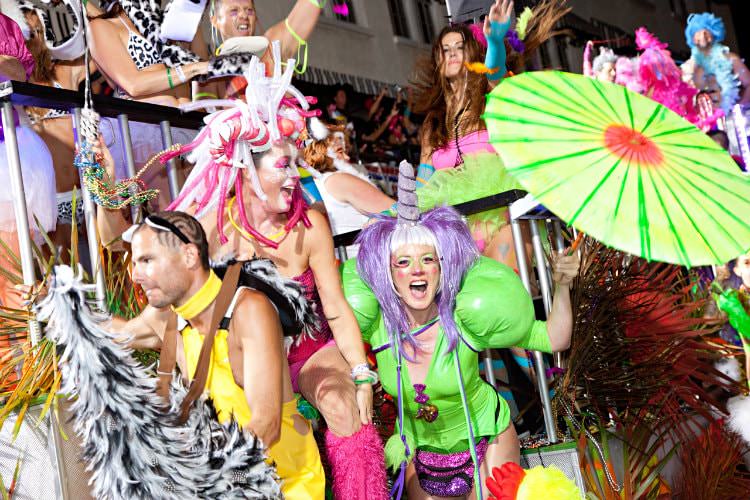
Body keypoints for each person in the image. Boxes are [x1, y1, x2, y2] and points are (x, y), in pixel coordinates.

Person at [98, 46, 389, 500]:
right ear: (246, 169)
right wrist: (102, 182)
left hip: (305, 349)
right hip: (239, 354)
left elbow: (332, 307)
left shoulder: (310, 223)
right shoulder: (215, 221)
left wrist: (359, 371)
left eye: (295, 161)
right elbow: (126, 241)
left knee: (344, 404)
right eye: (281, 164)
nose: (295, 175)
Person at [342, 162, 580, 499]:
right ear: (389, 274)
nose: (417, 271)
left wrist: (563, 286)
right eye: (403, 262)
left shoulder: (465, 316)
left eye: (428, 259)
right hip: (422, 450)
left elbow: (554, 338)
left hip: (485, 438)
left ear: (442, 267)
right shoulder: (378, 328)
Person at [110, 210, 325, 498]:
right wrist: (54, 302)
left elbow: (267, 424)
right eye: (135, 263)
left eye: (147, 260)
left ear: (188, 256)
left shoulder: (248, 310)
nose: (136, 276)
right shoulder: (168, 317)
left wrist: (204, 477)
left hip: (286, 487)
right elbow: (117, 332)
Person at [412, 0, 567, 269]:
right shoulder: (433, 123)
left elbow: (495, 73)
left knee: (504, 290)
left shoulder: (492, 100)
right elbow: (424, 179)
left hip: (504, 220)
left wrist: (494, 41)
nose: (451, 54)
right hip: (456, 233)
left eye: (459, 48)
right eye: (445, 49)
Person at [0, 3, 56, 308]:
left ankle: (23, 357)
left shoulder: (3, 26)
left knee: (12, 282)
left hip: (6, 155)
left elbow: (15, 73)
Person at [202, 0, 324, 100]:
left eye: (249, 11)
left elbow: (310, 6)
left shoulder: (272, 47)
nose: (244, 15)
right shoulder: (206, 70)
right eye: (234, 11)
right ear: (215, 21)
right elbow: (199, 116)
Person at [303, 129, 395, 257]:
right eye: (340, 151)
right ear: (319, 151)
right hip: (364, 263)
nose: (347, 157)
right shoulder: (338, 179)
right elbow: (402, 212)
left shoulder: (309, 186)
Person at [682, 12, 750, 114]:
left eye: (706, 32)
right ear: (693, 39)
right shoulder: (687, 68)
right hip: (705, 124)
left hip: (731, 119)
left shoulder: (730, 58)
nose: (703, 36)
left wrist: (738, 105)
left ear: (714, 35)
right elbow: (683, 99)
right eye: (698, 33)